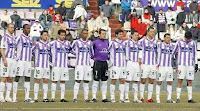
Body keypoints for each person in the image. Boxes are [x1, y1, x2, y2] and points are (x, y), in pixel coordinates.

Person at [172, 31, 198, 103]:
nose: (188, 40)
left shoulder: (192, 43)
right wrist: (174, 62)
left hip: (190, 65)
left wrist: (196, 64)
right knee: (180, 80)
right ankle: (178, 98)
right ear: (185, 37)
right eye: (187, 38)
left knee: (189, 81)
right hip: (181, 65)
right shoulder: (179, 42)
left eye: (189, 39)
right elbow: (173, 52)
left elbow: (195, 54)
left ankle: (190, 98)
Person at [72, 29, 93, 103]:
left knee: (86, 81)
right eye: (84, 33)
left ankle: (86, 98)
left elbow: (92, 53)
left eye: (87, 33)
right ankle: (75, 97)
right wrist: (76, 54)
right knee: (77, 80)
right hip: (79, 65)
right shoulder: (77, 42)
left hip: (87, 65)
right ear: (81, 34)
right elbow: (71, 49)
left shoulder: (90, 43)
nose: (85, 35)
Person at [13, 24, 33, 103]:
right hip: (20, 61)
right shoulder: (19, 37)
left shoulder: (30, 38)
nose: (29, 29)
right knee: (17, 77)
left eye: (29, 28)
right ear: (23, 29)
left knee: (27, 78)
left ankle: (27, 97)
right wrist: (15, 57)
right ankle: (14, 97)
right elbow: (13, 46)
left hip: (28, 61)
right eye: (27, 28)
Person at [50, 29, 71, 102]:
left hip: (64, 65)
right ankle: (53, 97)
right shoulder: (54, 43)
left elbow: (71, 50)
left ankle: (62, 98)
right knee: (54, 81)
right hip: (56, 65)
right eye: (61, 35)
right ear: (58, 35)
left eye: (64, 35)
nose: (63, 37)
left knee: (63, 81)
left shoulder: (67, 43)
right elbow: (47, 49)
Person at [91, 29, 110, 103]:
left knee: (104, 80)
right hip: (98, 63)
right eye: (102, 34)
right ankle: (94, 97)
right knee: (96, 80)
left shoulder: (107, 42)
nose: (104, 35)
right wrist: (93, 57)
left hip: (105, 63)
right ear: (99, 34)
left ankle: (104, 97)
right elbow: (90, 49)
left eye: (105, 34)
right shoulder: (95, 42)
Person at [139, 27, 158, 103]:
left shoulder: (156, 42)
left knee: (151, 81)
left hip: (153, 64)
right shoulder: (143, 41)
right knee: (143, 80)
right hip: (145, 64)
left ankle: (149, 98)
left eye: (153, 32)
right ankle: (141, 97)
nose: (152, 33)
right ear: (148, 32)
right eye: (151, 32)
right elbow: (135, 45)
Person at [156, 33, 175, 103]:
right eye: (167, 38)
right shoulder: (159, 44)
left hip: (169, 67)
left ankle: (169, 98)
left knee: (169, 82)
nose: (168, 39)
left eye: (169, 38)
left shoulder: (172, 46)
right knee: (159, 82)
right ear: (164, 38)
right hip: (162, 67)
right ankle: (158, 98)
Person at [32, 30, 50, 102]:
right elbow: (32, 51)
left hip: (46, 65)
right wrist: (36, 59)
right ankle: (35, 97)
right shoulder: (37, 44)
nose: (46, 36)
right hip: (39, 65)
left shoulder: (49, 44)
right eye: (44, 35)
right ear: (41, 36)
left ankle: (45, 97)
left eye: (47, 35)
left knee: (45, 80)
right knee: (37, 80)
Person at [124, 31, 142, 103]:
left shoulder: (139, 43)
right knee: (128, 80)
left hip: (136, 63)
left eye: (137, 35)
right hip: (130, 63)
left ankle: (135, 98)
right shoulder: (127, 42)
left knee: (136, 80)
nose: (136, 36)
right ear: (132, 35)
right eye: (135, 35)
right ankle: (126, 97)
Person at [108, 29, 126, 103]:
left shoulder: (124, 43)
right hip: (115, 65)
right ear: (116, 35)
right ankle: (112, 98)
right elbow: (107, 51)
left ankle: (121, 98)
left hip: (122, 65)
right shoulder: (112, 43)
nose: (121, 35)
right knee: (114, 80)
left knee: (122, 80)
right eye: (120, 34)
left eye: (122, 34)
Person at [0, 24, 16, 102]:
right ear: (7, 28)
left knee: (10, 78)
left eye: (13, 27)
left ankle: (7, 96)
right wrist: (4, 59)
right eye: (11, 27)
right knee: (4, 78)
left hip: (13, 60)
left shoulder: (13, 38)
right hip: (7, 59)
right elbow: (2, 49)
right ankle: (1, 96)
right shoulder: (5, 37)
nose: (13, 29)